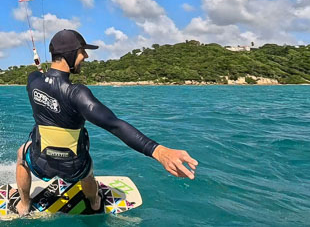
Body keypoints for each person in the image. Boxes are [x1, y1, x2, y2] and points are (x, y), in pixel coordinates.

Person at [15, 29, 198, 215]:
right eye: (82, 51)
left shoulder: (33, 81)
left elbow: (41, 78)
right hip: (74, 167)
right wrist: (158, 151)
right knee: (88, 172)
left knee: (21, 155)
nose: (86, 56)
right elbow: (114, 124)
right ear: (69, 54)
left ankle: (24, 204)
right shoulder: (77, 93)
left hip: (41, 161)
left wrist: (44, 74)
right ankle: (94, 202)